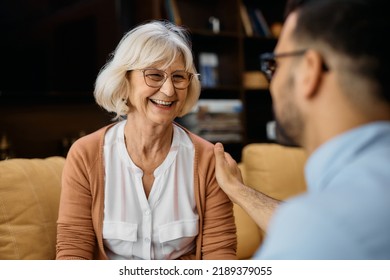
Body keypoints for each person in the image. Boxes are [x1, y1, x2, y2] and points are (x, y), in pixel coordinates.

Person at [214, 0, 390, 259]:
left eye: (274, 65)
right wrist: (239, 190)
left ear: (310, 70)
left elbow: (321, 231)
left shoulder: (318, 229)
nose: (271, 85)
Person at [56, 20, 237, 260]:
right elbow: (73, 250)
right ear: (124, 80)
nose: (169, 90)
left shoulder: (208, 160)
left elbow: (220, 255)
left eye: (178, 77)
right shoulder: (85, 154)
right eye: (154, 75)